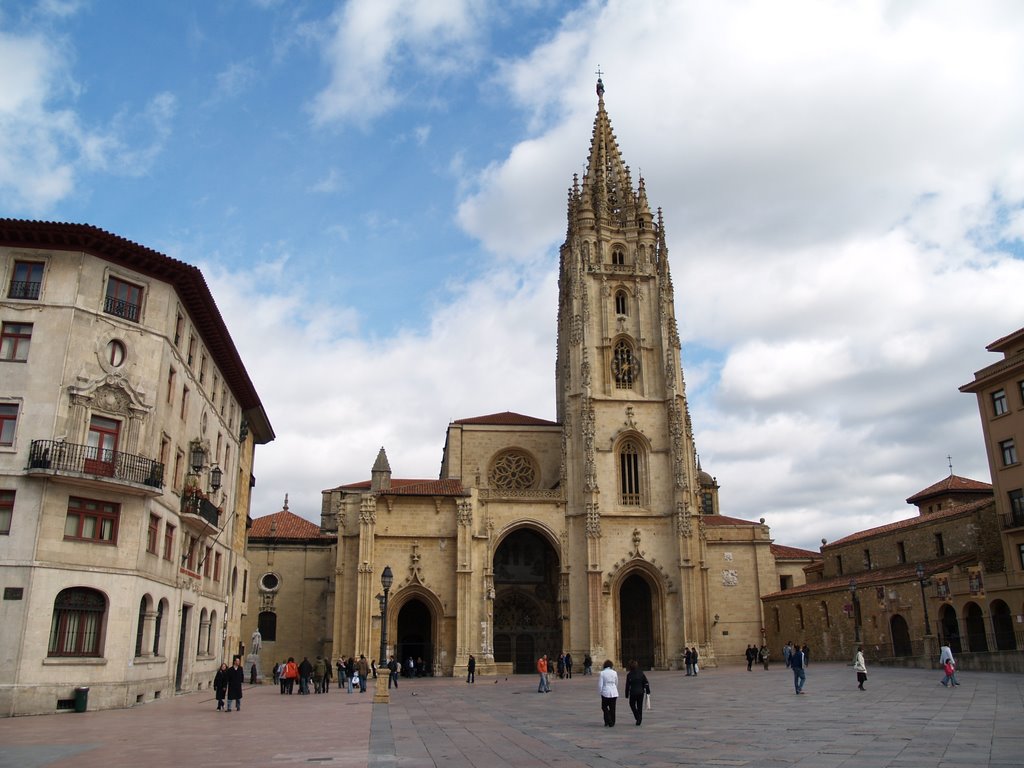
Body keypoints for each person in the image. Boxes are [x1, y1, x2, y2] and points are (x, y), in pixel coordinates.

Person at [624, 660, 650, 726]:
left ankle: (637, 717)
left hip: (633, 692)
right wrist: (647, 691)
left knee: (632, 704)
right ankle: (639, 719)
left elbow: (627, 685)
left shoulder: (629, 675)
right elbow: (646, 682)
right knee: (639, 706)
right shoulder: (641, 673)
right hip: (641, 692)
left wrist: (626, 694)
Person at [598, 659, 619, 727]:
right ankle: (612, 722)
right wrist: (614, 688)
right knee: (612, 708)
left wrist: (600, 692)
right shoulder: (614, 672)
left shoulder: (602, 673)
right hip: (614, 692)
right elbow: (616, 682)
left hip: (605, 691)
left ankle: (607, 721)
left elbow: (600, 684)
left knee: (604, 707)